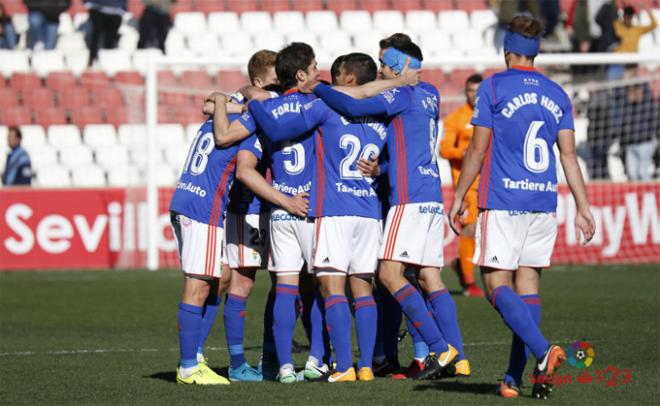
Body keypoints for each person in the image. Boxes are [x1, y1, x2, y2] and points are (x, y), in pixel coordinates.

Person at [447, 15, 596, 399]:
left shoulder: (494, 86)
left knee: (496, 283)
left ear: (506, 50)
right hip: (543, 202)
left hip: (504, 201)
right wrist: (583, 206)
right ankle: (517, 377)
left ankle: (544, 352)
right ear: (537, 51)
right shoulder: (557, 94)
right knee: (527, 288)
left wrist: (460, 194)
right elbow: (568, 155)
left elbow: (477, 149)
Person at [250, 52, 416, 383]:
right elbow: (398, 155)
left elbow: (279, 126)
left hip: (334, 210)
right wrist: (381, 168)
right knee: (363, 289)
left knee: (329, 287)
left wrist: (254, 102)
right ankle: (367, 365)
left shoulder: (327, 106)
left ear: (347, 78)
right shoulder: (383, 112)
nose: (325, 78)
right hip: (369, 211)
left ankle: (340, 367)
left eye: (333, 74)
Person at [313, 36, 467, 381]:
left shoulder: (402, 93)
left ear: (400, 66)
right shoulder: (431, 94)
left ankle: (441, 348)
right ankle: (460, 358)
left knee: (388, 275)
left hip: (408, 197)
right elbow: (408, 140)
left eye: (384, 62)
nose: (378, 68)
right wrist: (383, 168)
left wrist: (318, 87)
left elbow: (353, 107)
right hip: (430, 193)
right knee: (428, 276)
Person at [168, 88, 248, 385]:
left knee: (221, 277)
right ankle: (189, 366)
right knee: (198, 285)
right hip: (203, 208)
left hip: (189, 200)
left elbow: (209, 102)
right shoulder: (241, 120)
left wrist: (222, 101)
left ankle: (196, 356)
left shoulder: (222, 110)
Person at [219, 50, 278, 383]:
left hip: (280, 212)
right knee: (242, 283)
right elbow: (211, 107)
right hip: (250, 212)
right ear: (258, 82)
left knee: (287, 284)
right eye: (273, 82)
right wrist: (245, 98)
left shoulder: (277, 105)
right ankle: (238, 363)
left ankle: (272, 357)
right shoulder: (250, 111)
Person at [439, 74, 486, 298]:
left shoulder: (492, 115)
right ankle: (469, 282)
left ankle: (461, 264)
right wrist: (463, 152)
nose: (474, 95)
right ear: (465, 92)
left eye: (478, 91)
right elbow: (444, 149)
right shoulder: (456, 119)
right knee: (470, 228)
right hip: (467, 185)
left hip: (491, 182)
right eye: (470, 91)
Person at [614, 68, 658, 181]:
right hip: (631, 143)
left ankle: (648, 197)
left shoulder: (646, 100)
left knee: (644, 174)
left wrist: (649, 134)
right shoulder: (626, 102)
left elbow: (654, 119)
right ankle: (635, 198)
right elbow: (616, 95)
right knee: (632, 174)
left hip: (645, 142)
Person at [84, 0, 127, 67]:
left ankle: (108, 64)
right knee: (96, 36)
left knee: (110, 40)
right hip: (97, 9)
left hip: (116, 12)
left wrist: (122, 9)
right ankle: (91, 60)